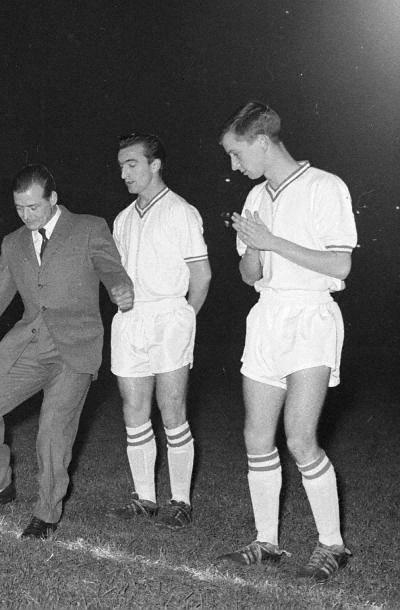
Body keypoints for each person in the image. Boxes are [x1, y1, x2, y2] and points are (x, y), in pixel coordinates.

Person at [0, 164, 134, 539]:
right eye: (19, 208)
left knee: (52, 433)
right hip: (28, 345)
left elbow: (110, 268)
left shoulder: (89, 228)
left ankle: (46, 513)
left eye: (34, 207)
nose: (27, 215)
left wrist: (119, 287)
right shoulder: (13, 243)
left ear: (53, 199)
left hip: (75, 349)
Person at [216, 102, 357, 583]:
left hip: (311, 316)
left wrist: (272, 241)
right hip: (267, 316)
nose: (234, 164)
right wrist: (255, 247)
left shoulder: (325, 186)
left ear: (261, 142)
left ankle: (332, 544)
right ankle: (267, 542)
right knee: (256, 436)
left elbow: (340, 265)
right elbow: (248, 274)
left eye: (237, 153)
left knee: (299, 436)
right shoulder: (256, 197)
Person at [106, 133, 211, 530]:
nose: (124, 173)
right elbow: (118, 275)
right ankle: (145, 499)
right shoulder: (122, 218)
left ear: (155, 165)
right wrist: (118, 293)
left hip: (169, 315)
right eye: (121, 166)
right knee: (134, 410)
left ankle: (180, 500)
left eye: (132, 164)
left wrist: (185, 318)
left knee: (172, 409)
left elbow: (202, 276)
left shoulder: (181, 211)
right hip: (130, 319)